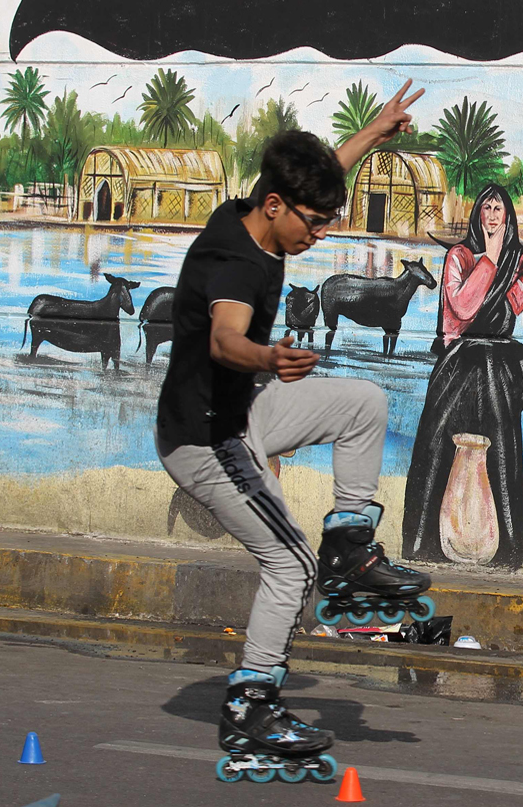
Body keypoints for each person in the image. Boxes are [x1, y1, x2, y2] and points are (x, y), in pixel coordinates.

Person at [154, 81, 428, 768]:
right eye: (315, 222)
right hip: (206, 437)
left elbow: (319, 173)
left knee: (364, 402)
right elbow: (225, 339)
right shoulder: (232, 264)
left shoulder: (260, 210)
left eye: (327, 220)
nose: (320, 234)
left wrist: (372, 133)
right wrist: (267, 357)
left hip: (247, 406)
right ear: (276, 207)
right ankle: (251, 704)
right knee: (288, 561)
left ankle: (350, 545)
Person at [403, 184, 523, 569]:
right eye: (487, 208)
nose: (493, 216)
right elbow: (464, 306)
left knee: (499, 457)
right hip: (458, 368)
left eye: (499, 209)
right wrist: (491, 260)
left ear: (508, 216)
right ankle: (426, 545)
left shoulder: (516, 258)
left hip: (496, 370)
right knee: (439, 450)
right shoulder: (460, 256)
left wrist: (508, 301)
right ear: (477, 214)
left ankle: (505, 552)